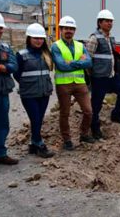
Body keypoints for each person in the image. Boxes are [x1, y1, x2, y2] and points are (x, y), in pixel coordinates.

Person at [51, 16, 94, 151]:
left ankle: (84, 134)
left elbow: (89, 62)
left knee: (88, 111)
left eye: (71, 29)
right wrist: (79, 63)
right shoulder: (56, 46)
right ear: (61, 30)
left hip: (80, 83)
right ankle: (67, 140)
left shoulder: (80, 45)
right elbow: (61, 66)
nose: (69, 31)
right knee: (65, 113)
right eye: (66, 28)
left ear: (74, 30)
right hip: (63, 84)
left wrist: (72, 63)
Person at [13, 23, 54, 158]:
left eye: (41, 38)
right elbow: (16, 74)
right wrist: (27, 84)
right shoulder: (21, 55)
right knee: (35, 119)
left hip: (44, 93)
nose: (38, 40)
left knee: (39, 119)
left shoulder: (46, 54)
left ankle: (33, 144)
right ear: (29, 38)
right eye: (35, 38)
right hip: (29, 94)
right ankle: (39, 144)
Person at [86, 9, 120, 140]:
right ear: (100, 23)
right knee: (96, 104)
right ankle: (94, 128)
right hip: (99, 77)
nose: (109, 23)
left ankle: (116, 114)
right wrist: (92, 75)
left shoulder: (110, 38)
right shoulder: (94, 38)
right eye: (106, 21)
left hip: (111, 75)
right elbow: (88, 59)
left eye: (111, 21)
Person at [0, 10, 19, 165]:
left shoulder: (6, 47)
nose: (0, 30)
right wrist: (3, 67)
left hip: (2, 92)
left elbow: (14, 66)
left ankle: (0, 154)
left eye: (1, 28)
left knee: (2, 124)